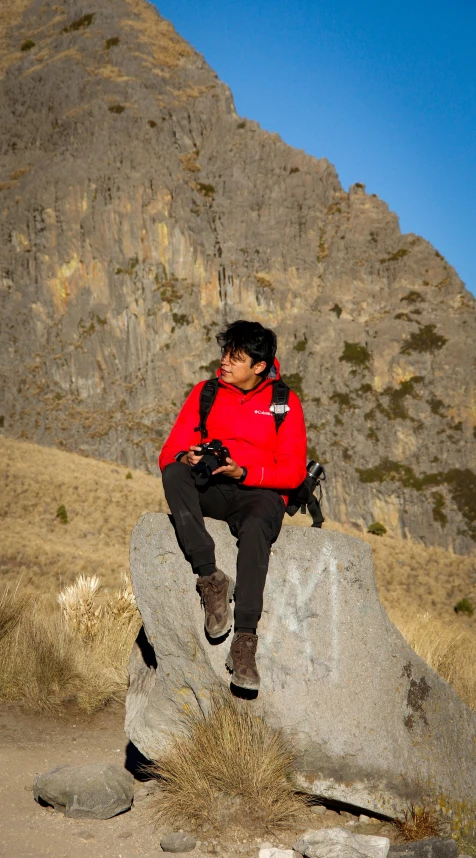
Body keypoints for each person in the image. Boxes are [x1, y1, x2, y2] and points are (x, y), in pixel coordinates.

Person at [158, 320, 307, 691]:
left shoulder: (284, 403)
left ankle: (244, 641)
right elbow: (167, 453)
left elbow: (292, 473)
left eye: (235, 358)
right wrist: (187, 455)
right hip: (213, 486)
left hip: (258, 491)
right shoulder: (205, 392)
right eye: (225, 353)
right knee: (175, 475)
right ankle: (211, 578)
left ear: (259, 367)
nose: (224, 362)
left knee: (258, 525)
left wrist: (245, 471)